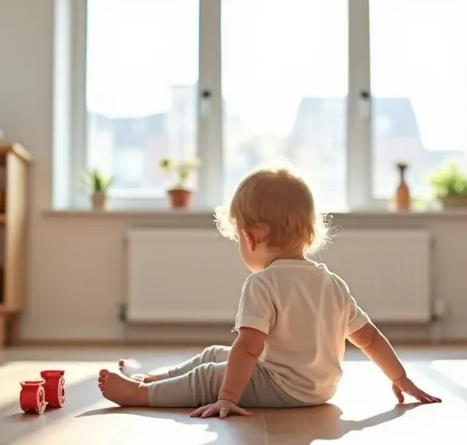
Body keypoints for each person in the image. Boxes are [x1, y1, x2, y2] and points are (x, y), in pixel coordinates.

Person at [97, 166, 441, 418]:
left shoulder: (262, 283)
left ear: (251, 236)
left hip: (284, 387)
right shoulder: (333, 282)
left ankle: (141, 394)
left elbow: (248, 347)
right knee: (215, 353)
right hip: (321, 388)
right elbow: (370, 339)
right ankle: (158, 378)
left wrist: (227, 398)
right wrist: (400, 377)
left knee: (210, 375)